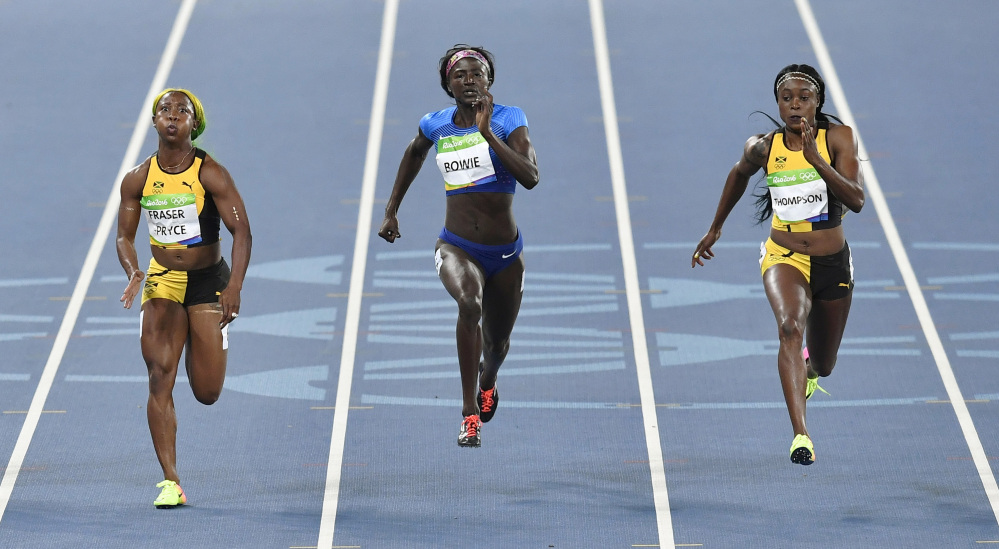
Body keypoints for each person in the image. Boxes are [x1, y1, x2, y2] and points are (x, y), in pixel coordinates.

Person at [691, 64, 864, 465]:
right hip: (783, 256)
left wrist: (814, 159)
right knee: (789, 326)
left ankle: (810, 368)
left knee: (824, 363)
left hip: (832, 263)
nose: (795, 105)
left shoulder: (838, 138)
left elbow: (855, 200)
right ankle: (801, 435)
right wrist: (715, 228)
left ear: (818, 101)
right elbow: (738, 174)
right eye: (787, 99)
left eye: (804, 98)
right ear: (778, 103)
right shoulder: (764, 147)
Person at [378, 45, 539, 448]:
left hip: (504, 254)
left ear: (490, 81)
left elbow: (531, 176)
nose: (469, 81)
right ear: (448, 85)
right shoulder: (436, 124)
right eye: (460, 76)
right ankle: (469, 415)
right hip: (456, 246)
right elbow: (414, 152)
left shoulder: (508, 119)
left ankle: (488, 378)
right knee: (469, 304)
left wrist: (487, 135)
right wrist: (391, 209)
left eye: (477, 74)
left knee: (498, 344)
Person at [116, 88, 252, 506]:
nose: (172, 116)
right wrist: (133, 268)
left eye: (183, 111)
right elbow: (124, 235)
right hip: (163, 280)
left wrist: (234, 287)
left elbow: (242, 232)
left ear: (196, 124)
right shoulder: (138, 178)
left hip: (209, 280)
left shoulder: (211, 174)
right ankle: (170, 481)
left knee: (206, 391)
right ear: (154, 121)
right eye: (164, 110)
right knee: (159, 373)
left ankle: (203, 333)